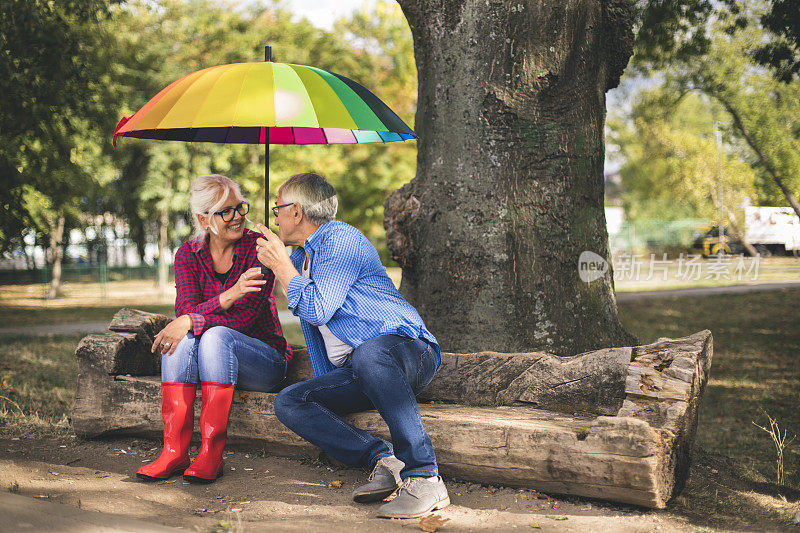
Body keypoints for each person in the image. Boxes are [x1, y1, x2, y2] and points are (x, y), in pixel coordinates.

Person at [255, 172, 449, 518]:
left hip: (407, 353)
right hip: (361, 369)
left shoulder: (341, 239)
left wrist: (283, 268)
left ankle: (424, 477)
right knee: (291, 400)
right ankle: (383, 460)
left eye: (277, 209)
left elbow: (317, 308)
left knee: (371, 353)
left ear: (296, 211)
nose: (276, 217)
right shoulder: (301, 259)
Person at [137, 174, 291, 484]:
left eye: (240, 207)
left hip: (264, 361)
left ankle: (210, 452)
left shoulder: (258, 250)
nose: (238, 217)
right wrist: (226, 296)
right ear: (202, 218)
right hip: (211, 363)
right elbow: (184, 315)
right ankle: (174, 451)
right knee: (179, 339)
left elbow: (243, 320)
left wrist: (214, 307)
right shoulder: (187, 255)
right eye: (225, 211)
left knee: (213, 335)